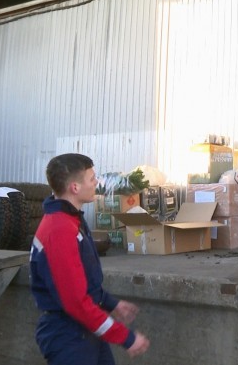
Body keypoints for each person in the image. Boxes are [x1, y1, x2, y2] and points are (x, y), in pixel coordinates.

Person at [30, 153, 149, 365]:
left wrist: (109, 302)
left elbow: (83, 281)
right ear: (75, 187)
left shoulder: (71, 219)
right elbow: (75, 302)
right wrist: (127, 338)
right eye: (92, 178)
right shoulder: (60, 230)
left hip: (83, 330)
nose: (97, 182)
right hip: (69, 336)